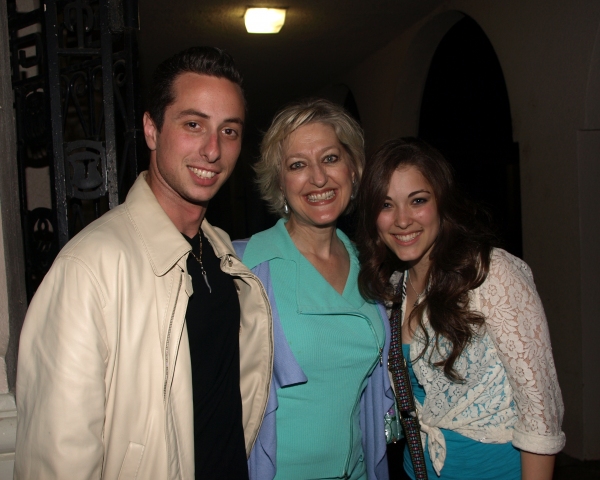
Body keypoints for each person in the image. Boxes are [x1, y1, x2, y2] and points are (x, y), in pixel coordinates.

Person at [14, 46, 273, 480]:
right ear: (152, 130)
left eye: (229, 131)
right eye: (194, 125)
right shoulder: (90, 266)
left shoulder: (222, 251)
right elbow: (57, 458)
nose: (213, 150)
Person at [355, 137, 565, 480]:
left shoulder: (491, 273)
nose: (402, 220)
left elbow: (541, 410)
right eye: (386, 205)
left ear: (442, 203)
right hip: (417, 471)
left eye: (418, 201)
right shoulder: (392, 286)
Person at [233, 98, 394, 480]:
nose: (318, 178)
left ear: (354, 169)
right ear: (280, 182)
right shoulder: (242, 266)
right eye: (298, 165)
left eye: (331, 158)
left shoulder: (371, 267)